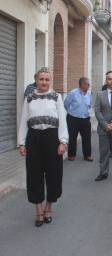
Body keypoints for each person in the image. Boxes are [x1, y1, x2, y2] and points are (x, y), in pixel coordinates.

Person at [18, 67, 68, 227]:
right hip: (34, 139)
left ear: (50, 81)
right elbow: (24, 120)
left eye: (47, 79)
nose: (44, 82)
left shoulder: (56, 97)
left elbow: (62, 120)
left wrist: (63, 141)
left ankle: (49, 207)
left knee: (53, 175)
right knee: (34, 175)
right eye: (41, 79)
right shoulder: (30, 98)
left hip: (52, 139)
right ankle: (38, 210)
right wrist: (22, 142)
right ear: (36, 80)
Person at [64, 77, 93, 162]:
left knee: (87, 137)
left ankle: (87, 155)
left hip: (85, 119)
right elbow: (66, 104)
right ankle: (71, 155)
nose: (89, 86)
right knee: (72, 137)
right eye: (87, 84)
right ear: (82, 84)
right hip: (73, 118)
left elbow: (90, 104)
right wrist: (72, 112)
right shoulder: (73, 93)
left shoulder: (89, 93)